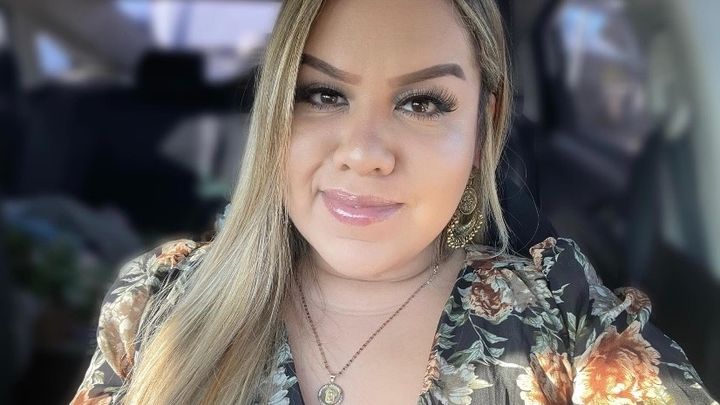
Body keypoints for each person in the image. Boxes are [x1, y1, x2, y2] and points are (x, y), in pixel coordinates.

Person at [70, 0, 717, 404]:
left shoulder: (565, 321)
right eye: (323, 94)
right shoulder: (155, 304)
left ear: (484, 126)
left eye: (422, 102)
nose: (365, 152)